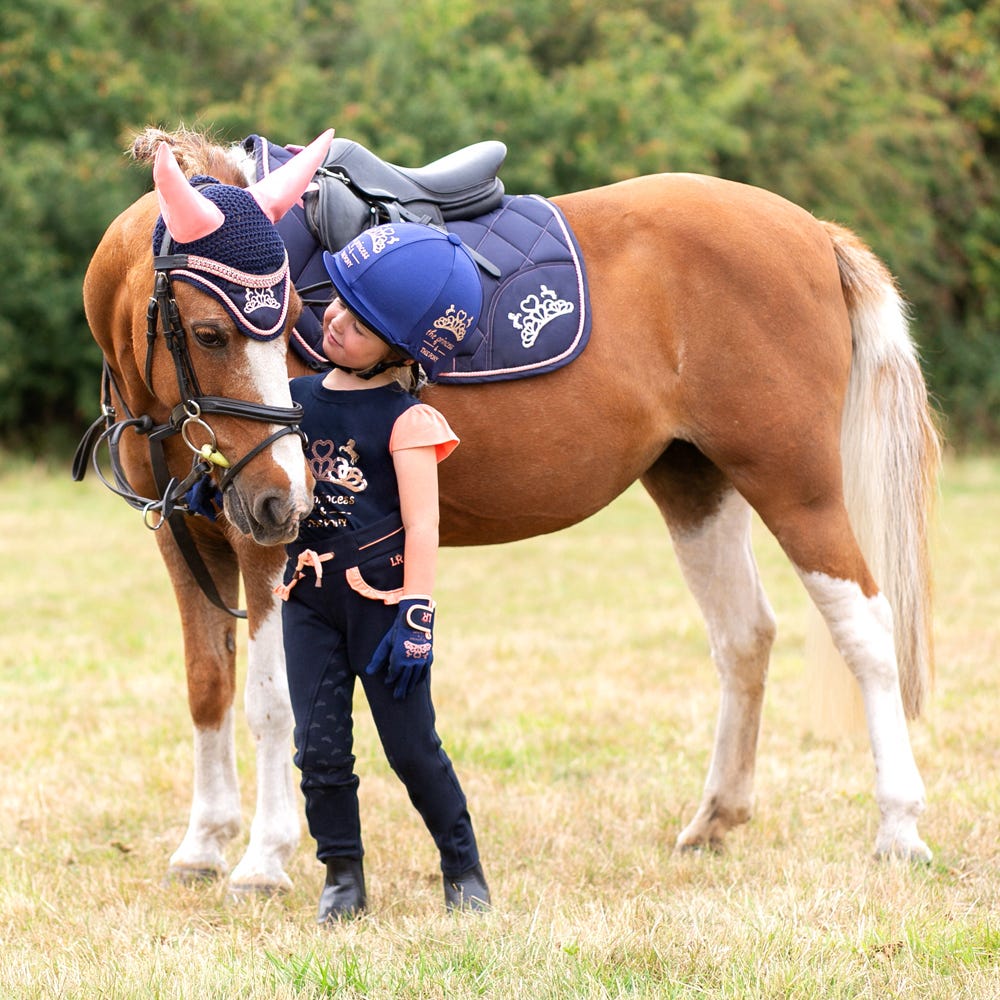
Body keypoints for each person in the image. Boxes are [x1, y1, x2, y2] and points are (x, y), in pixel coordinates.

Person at [276, 222, 490, 923]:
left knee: (411, 748)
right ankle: (342, 874)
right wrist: (213, 490)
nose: (335, 319)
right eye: (339, 302)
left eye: (361, 324)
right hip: (308, 600)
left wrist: (417, 614)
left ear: (398, 350)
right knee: (319, 747)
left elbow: (425, 525)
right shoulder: (294, 399)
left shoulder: (408, 421)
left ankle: (462, 866)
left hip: (383, 604)